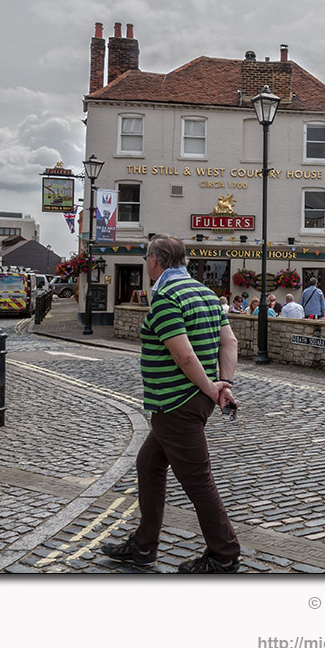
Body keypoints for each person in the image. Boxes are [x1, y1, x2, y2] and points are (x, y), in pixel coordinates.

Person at [100, 234, 241, 574]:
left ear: (156, 260)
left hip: (176, 402)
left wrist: (211, 388)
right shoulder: (206, 294)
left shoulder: (165, 296)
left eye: (147, 257)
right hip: (187, 403)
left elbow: (183, 355)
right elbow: (230, 341)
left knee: (197, 479)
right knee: (148, 464)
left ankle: (224, 554)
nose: (146, 262)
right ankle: (143, 545)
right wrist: (225, 383)